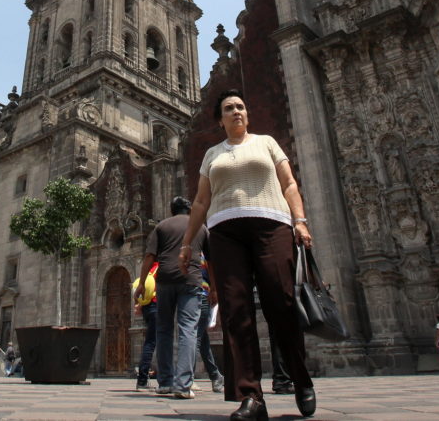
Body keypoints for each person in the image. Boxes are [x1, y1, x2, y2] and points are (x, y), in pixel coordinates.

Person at [180, 89, 315, 421]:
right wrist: (187, 244)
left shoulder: (266, 143)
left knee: (281, 303)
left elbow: (288, 184)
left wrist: (300, 220)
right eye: (229, 108)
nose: (236, 111)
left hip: (272, 226)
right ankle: (250, 395)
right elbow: (200, 202)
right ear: (220, 119)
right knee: (235, 312)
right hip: (225, 233)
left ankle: (300, 379)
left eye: (241, 106)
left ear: (247, 114)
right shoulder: (212, 154)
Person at [135, 196, 206, 399]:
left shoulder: (162, 226)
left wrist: (141, 283)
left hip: (165, 280)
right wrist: (215, 290)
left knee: (163, 330)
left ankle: (165, 382)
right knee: (188, 330)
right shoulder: (200, 226)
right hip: (191, 280)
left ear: (171, 209)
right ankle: (184, 385)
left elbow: (149, 256)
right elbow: (213, 259)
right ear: (189, 209)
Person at [196, 253, 224, 393]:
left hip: (202, 294)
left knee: (194, 337)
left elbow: (213, 269)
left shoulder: (203, 253)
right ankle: (215, 375)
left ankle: (185, 378)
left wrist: (214, 290)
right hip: (189, 295)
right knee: (201, 339)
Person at [133, 262, 158, 391]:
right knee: (154, 342)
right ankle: (142, 379)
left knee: (150, 342)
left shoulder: (150, 269)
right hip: (157, 306)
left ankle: (159, 377)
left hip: (147, 308)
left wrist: (139, 305)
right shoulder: (161, 267)